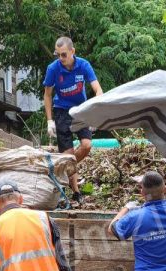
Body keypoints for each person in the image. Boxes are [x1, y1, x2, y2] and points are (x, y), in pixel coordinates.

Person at [43, 36, 104, 204]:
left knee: (86, 145)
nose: (60, 58)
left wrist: (94, 113)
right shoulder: (53, 69)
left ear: (72, 52)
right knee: (68, 154)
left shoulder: (83, 65)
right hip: (61, 111)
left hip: (81, 110)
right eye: (58, 55)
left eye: (63, 55)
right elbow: (47, 95)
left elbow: (98, 89)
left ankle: (62, 167)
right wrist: (50, 121)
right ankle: (76, 192)